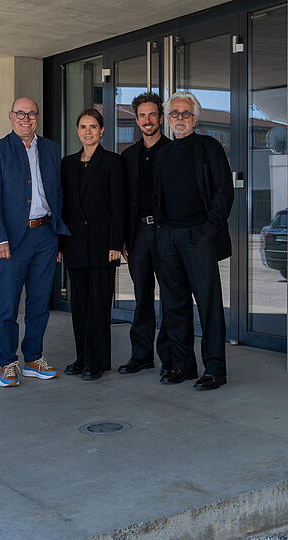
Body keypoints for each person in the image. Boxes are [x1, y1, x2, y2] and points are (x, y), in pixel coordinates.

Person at [0, 96, 70, 387]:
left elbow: (56, 194)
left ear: (38, 117)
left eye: (31, 114)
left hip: (45, 235)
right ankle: (8, 362)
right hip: (12, 240)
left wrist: (56, 236)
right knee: (8, 305)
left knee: (39, 302)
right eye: (20, 113)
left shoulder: (50, 149)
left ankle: (33, 358)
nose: (26, 118)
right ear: (10, 116)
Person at [152, 91, 234, 391]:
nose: (180, 118)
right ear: (168, 119)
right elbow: (157, 197)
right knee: (174, 305)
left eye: (186, 113)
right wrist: (162, 232)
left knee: (209, 306)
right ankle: (182, 365)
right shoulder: (162, 153)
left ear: (196, 118)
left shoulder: (209, 147)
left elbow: (224, 193)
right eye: (175, 113)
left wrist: (206, 232)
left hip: (199, 236)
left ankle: (215, 369)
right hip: (169, 237)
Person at [116, 92, 184, 378]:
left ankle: (169, 357)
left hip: (166, 232)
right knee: (142, 296)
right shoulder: (127, 156)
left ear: (160, 117)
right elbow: (121, 200)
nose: (147, 120)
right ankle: (141, 356)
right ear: (137, 119)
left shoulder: (174, 151)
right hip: (138, 234)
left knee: (171, 296)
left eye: (152, 115)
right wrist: (122, 237)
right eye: (142, 115)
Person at [59, 109, 124, 380]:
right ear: (77, 131)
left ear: (102, 131)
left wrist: (116, 243)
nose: (88, 131)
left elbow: (119, 206)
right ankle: (82, 357)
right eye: (83, 126)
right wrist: (61, 245)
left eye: (93, 126)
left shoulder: (113, 162)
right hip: (74, 245)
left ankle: (96, 362)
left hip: (102, 246)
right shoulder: (67, 163)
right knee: (80, 306)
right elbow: (62, 206)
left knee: (98, 306)